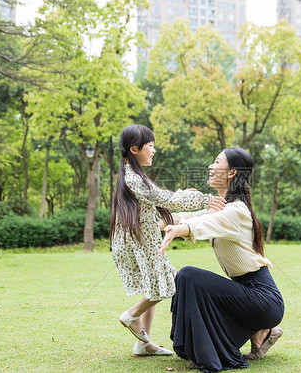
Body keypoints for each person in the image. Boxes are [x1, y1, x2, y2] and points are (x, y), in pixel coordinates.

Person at [159, 147, 285, 372]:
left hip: (263, 297)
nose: (210, 166)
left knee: (189, 275)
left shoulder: (237, 210)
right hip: (246, 293)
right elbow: (186, 217)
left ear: (231, 172)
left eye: (217, 161)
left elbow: (199, 224)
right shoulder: (222, 206)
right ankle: (260, 333)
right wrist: (147, 223)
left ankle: (259, 329)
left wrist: (178, 230)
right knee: (189, 278)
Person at [110, 125, 226, 357]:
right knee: (166, 284)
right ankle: (131, 315)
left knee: (155, 285)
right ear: (134, 149)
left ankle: (143, 344)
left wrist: (183, 194)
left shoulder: (132, 175)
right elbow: (165, 199)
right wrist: (203, 199)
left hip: (139, 241)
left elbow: (159, 198)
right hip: (141, 243)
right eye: (150, 146)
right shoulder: (134, 179)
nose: (154, 151)